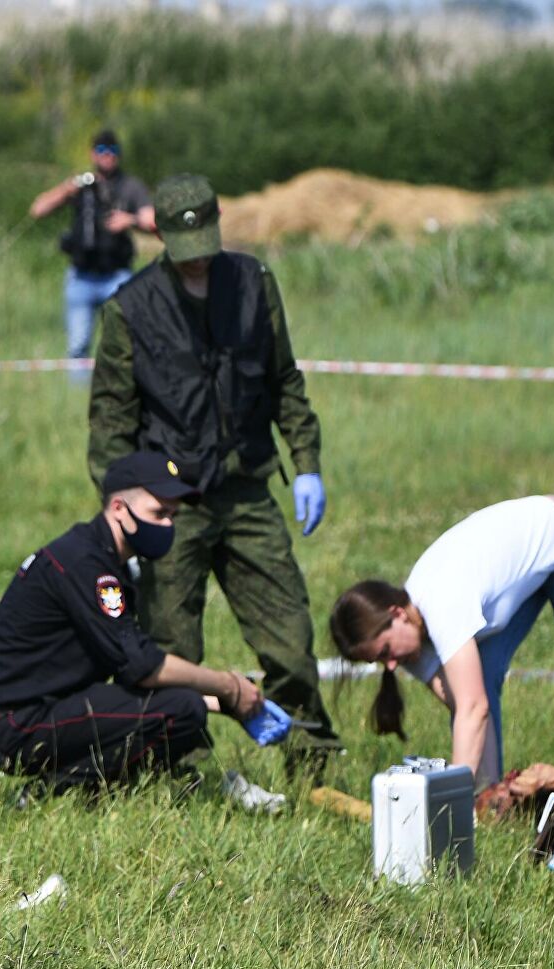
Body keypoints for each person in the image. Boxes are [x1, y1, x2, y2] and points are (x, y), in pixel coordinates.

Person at [86, 172, 339, 765]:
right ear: (162, 237)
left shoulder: (254, 285)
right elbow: (110, 421)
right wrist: (123, 511)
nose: (198, 264)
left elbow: (285, 382)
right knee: (173, 648)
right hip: (169, 503)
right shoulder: (131, 310)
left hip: (248, 491)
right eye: (185, 254)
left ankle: (315, 759)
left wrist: (306, 463)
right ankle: (183, 770)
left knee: (292, 642)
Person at [0, 451, 273, 795]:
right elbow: (143, 666)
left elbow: (125, 674)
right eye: (159, 514)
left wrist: (224, 704)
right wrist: (228, 686)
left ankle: (92, 788)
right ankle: (58, 792)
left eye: (173, 516)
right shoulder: (86, 564)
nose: (168, 526)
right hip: (14, 723)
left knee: (184, 708)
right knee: (182, 711)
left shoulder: (102, 556)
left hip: (31, 713)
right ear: (119, 508)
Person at [328, 495, 554, 788]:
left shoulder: (441, 602)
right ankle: (491, 802)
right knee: (476, 681)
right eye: (378, 660)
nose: (390, 664)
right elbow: (462, 705)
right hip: (527, 577)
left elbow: (474, 709)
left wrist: (454, 806)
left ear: (397, 612)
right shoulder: (409, 642)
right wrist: (481, 800)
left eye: (385, 651)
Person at [29, 129, 155, 361]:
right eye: (101, 150)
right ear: (93, 154)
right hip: (81, 276)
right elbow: (38, 209)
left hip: (117, 275)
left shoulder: (130, 186)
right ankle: (77, 395)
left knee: (125, 344)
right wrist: (67, 189)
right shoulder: (81, 185)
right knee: (78, 346)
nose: (107, 155)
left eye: (112, 151)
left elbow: (152, 220)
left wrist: (130, 219)